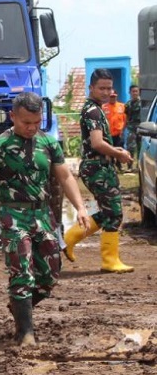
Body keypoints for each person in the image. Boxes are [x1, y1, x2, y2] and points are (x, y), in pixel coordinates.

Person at [0, 92, 90, 346]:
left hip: (43, 214)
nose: (32, 127)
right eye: (26, 123)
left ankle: (19, 306)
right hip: (13, 214)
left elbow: (66, 177)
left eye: (36, 122)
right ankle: (26, 333)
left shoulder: (48, 143)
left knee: (50, 274)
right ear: (13, 117)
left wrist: (80, 207)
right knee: (21, 271)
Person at [63, 68, 134, 273]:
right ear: (91, 88)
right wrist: (118, 154)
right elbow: (96, 143)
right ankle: (109, 260)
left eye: (109, 88)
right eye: (101, 88)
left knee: (108, 212)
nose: (106, 92)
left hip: (99, 165)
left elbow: (100, 142)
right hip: (97, 167)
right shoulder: (93, 111)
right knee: (114, 213)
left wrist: (114, 150)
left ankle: (70, 238)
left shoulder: (94, 108)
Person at [102, 90, 127, 171]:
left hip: (119, 133)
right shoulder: (104, 107)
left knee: (120, 148)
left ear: (116, 96)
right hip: (108, 134)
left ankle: (119, 164)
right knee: (110, 150)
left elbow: (125, 119)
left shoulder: (122, 106)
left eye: (114, 96)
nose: (112, 98)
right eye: (111, 96)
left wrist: (123, 130)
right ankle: (111, 165)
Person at [124, 84, 141, 171]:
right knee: (130, 147)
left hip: (141, 128)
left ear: (139, 92)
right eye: (133, 91)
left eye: (136, 91)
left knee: (141, 147)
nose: (134, 93)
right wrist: (124, 127)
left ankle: (140, 166)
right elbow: (126, 117)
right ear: (130, 93)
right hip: (131, 128)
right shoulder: (128, 104)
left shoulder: (143, 103)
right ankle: (130, 167)